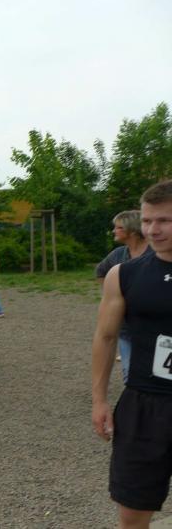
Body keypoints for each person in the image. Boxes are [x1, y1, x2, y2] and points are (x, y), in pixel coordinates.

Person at [92, 180, 172, 529]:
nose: (153, 230)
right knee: (132, 515)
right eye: (148, 220)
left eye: (164, 221)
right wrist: (99, 400)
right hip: (143, 406)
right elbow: (105, 336)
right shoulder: (123, 275)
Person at [95, 209, 151, 382]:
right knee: (130, 375)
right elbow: (100, 271)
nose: (114, 231)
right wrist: (112, 295)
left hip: (154, 327)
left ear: (132, 230)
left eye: (118, 227)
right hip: (125, 327)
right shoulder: (118, 254)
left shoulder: (156, 253)